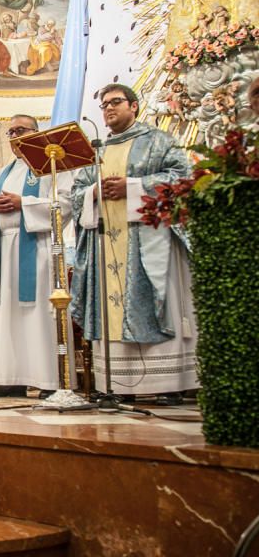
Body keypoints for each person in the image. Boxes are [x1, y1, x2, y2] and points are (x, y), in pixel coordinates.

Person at [71, 84, 198, 405]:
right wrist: (93, 194)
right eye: (104, 105)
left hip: (148, 241)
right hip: (105, 245)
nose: (108, 109)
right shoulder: (95, 152)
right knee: (108, 305)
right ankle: (117, 384)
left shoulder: (158, 141)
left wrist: (134, 186)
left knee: (158, 301)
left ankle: (168, 383)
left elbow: (183, 177)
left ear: (134, 106)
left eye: (116, 102)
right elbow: (76, 194)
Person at [0, 114, 74, 398]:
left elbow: (65, 204)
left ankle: (48, 380)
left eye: (21, 130)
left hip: (38, 249)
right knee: (6, 316)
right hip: (4, 252)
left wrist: (23, 203)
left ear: (36, 132)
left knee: (38, 314)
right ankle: (10, 377)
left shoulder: (51, 166)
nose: (15, 136)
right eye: (11, 132)